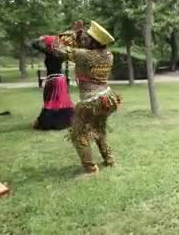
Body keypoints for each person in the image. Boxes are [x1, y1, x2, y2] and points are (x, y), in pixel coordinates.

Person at [41, 20, 122, 175]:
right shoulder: (108, 55)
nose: (85, 39)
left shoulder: (84, 55)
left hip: (92, 101)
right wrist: (79, 34)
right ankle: (109, 159)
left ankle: (90, 168)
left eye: (88, 37)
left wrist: (65, 34)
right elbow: (84, 49)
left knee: (78, 134)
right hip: (108, 98)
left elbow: (57, 49)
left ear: (93, 41)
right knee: (99, 129)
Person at [29, 35, 74, 130]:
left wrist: (41, 38)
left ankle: (45, 122)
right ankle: (64, 121)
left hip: (53, 80)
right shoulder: (61, 53)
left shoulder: (49, 52)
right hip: (61, 80)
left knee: (50, 101)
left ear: (48, 44)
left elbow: (33, 44)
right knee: (62, 101)